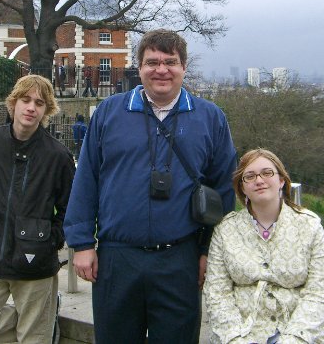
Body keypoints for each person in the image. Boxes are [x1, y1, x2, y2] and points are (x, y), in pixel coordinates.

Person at [64, 29, 238, 344]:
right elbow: (86, 177)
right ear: (139, 67)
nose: (161, 70)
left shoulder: (210, 118)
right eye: (152, 62)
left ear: (184, 67)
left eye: (170, 62)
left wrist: (208, 250)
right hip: (117, 257)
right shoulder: (110, 112)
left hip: (179, 258)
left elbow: (224, 191)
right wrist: (81, 243)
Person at [0, 74, 75, 344]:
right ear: (13, 103)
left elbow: (69, 209)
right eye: (26, 100)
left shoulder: (57, 155)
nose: (31, 107)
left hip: (35, 262)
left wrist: (49, 240)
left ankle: (39, 323)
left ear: (47, 111)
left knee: (33, 340)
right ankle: (41, 319)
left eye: (39, 103)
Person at [204, 149, 324, 344]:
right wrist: (235, 338)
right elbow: (217, 293)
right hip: (242, 333)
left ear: (282, 180)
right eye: (250, 176)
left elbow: (320, 291)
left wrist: (293, 338)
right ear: (242, 187)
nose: (259, 180)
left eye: (267, 173)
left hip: (299, 333)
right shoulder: (225, 230)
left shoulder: (310, 226)